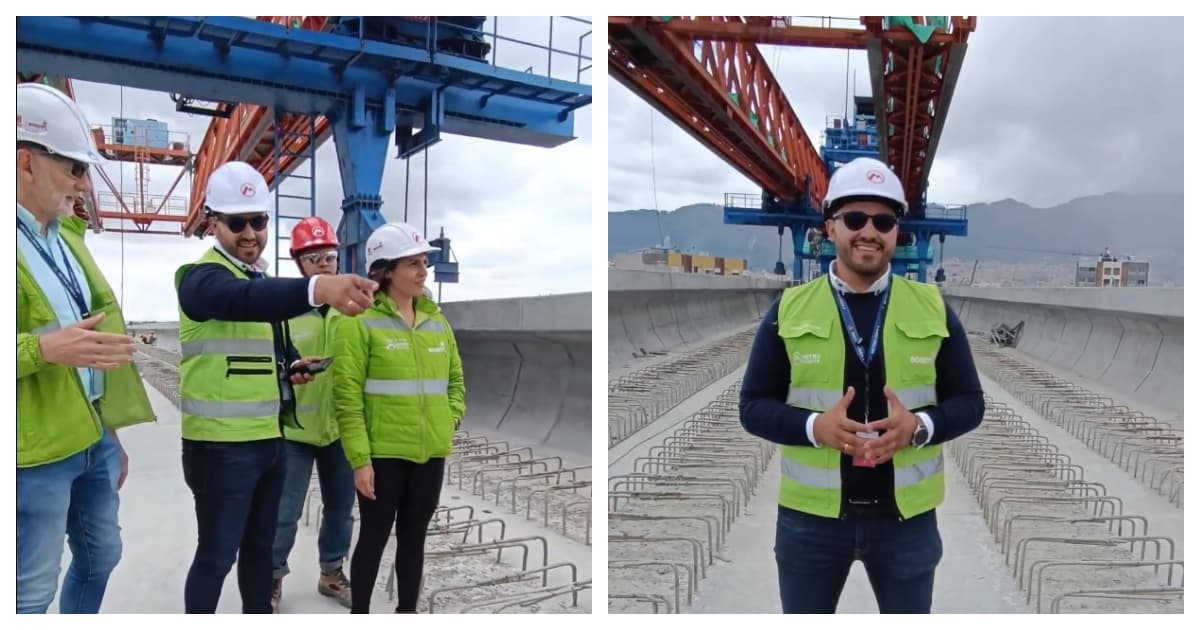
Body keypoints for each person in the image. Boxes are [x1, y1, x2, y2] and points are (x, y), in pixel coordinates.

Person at [738, 156, 985, 614]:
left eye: (883, 220)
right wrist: (816, 428)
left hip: (905, 522)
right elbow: (752, 406)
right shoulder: (789, 310)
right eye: (855, 218)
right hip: (810, 521)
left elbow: (970, 402)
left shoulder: (933, 309)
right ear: (830, 228)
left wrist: (920, 427)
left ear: (897, 233)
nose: (869, 231)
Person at [174, 161, 378, 614]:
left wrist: (288, 371)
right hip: (219, 447)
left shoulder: (257, 280)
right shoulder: (200, 278)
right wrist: (318, 287)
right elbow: (238, 302)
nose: (250, 233)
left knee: (259, 553)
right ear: (212, 223)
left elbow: (250, 350)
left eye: (258, 220)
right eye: (237, 222)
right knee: (216, 556)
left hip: (269, 440)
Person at [16, 82, 155, 614]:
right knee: (28, 590)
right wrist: (42, 350)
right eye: (74, 166)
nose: (83, 182)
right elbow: (57, 345)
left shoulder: (67, 238)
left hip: (91, 434)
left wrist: (111, 432)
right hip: (35, 452)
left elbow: (92, 345)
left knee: (101, 555)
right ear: (26, 162)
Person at [332, 222, 466, 613]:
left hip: (429, 454)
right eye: (413, 263)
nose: (424, 271)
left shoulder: (437, 323)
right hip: (383, 455)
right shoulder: (358, 324)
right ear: (387, 270)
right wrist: (360, 460)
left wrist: (449, 417)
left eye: (425, 262)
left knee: (414, 539)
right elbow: (347, 396)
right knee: (373, 537)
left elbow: (456, 380)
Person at [270, 217, 355, 612]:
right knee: (285, 512)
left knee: (340, 508)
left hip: (340, 430)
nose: (324, 263)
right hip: (295, 432)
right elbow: (268, 364)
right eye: (314, 257)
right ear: (299, 264)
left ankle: (331, 573)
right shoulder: (281, 312)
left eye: (330, 256)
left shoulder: (353, 312)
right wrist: (287, 374)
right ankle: (272, 577)